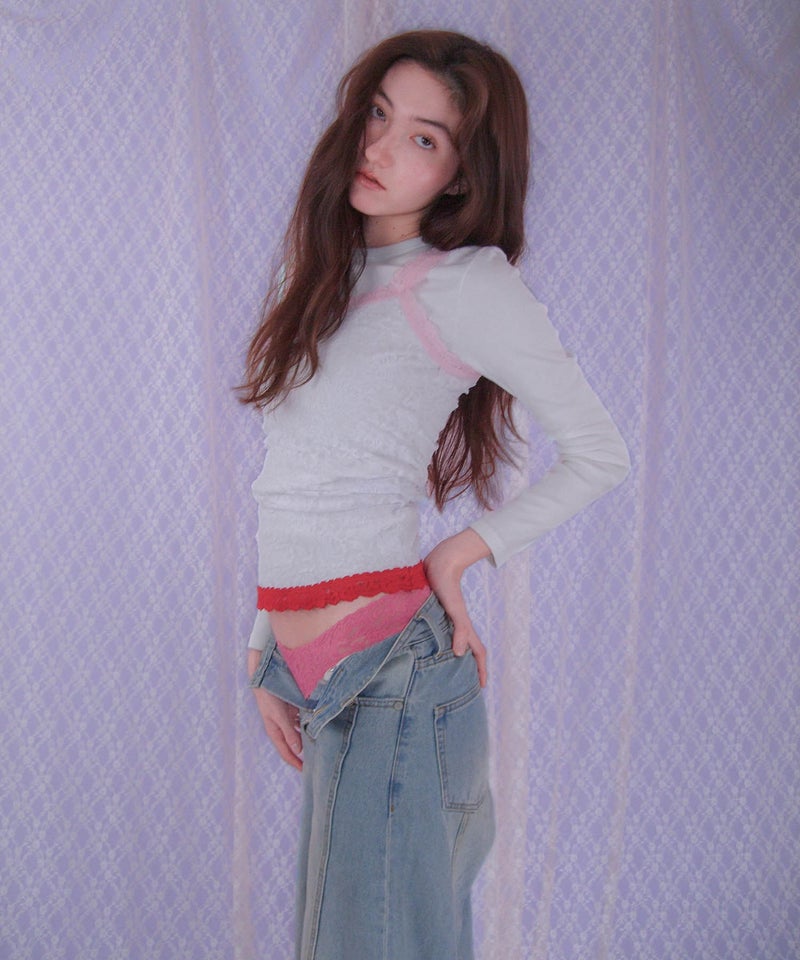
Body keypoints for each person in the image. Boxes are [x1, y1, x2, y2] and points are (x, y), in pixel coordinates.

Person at [240, 29, 629, 960]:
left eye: (423, 137)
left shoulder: (463, 284)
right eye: (377, 114)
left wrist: (461, 550)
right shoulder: (317, 273)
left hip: (395, 677)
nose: (379, 147)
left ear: (460, 175)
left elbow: (599, 453)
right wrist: (265, 646)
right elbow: (299, 476)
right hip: (319, 671)